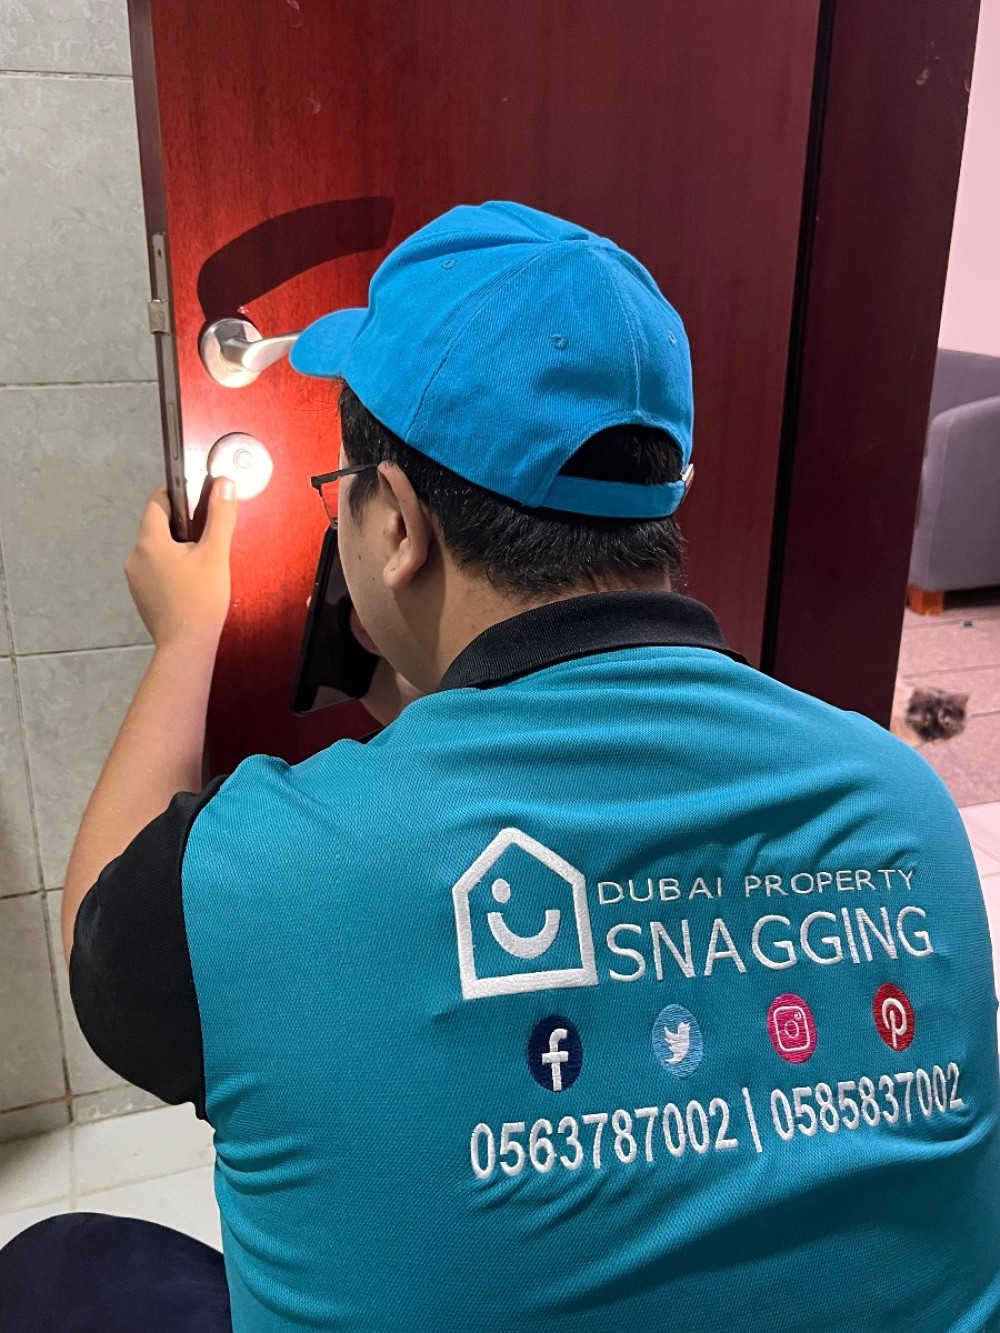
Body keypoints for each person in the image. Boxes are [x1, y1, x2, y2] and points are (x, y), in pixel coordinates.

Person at [1, 200, 997, 1333]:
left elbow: (103, 939)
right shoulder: (904, 803)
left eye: (343, 488)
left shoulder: (264, 874)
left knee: (61, 1267)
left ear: (396, 524)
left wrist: (186, 637)